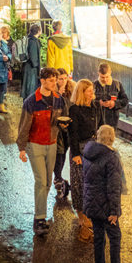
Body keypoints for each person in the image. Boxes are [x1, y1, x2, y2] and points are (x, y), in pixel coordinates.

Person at [17, 67, 67, 236]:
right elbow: (24, 126)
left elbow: (64, 120)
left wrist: (64, 125)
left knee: (46, 181)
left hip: (51, 144)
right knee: (41, 180)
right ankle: (40, 219)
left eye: (56, 80)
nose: (55, 83)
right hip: (35, 144)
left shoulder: (59, 100)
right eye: (52, 80)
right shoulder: (31, 102)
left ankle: (40, 212)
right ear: (43, 81)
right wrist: (22, 148)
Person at [81, 124, 131, 263]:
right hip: (106, 206)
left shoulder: (88, 153)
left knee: (99, 238)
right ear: (112, 138)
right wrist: (115, 211)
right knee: (115, 237)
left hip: (92, 204)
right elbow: (114, 187)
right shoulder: (112, 157)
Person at [68, 78, 99, 243]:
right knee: (79, 183)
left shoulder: (95, 107)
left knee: (92, 183)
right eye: (89, 91)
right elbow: (72, 134)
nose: (92, 93)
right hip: (80, 151)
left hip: (93, 149)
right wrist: (75, 154)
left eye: (92, 90)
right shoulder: (74, 110)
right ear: (82, 92)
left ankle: (89, 215)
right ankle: (82, 217)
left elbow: (100, 127)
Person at [52, 68, 76, 199]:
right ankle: (58, 179)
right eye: (60, 79)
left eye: (65, 78)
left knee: (66, 152)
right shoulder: (52, 92)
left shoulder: (72, 89)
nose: (63, 81)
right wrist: (57, 95)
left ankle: (59, 179)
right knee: (59, 154)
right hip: (58, 129)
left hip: (69, 127)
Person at [93, 63, 128, 129]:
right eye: (102, 77)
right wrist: (98, 103)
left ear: (110, 73)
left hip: (112, 123)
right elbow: (87, 102)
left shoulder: (117, 85)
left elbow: (125, 100)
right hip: (97, 123)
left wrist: (114, 103)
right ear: (98, 73)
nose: (105, 80)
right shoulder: (93, 85)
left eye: (107, 77)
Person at [21, 23, 42, 99]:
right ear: (39, 31)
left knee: (27, 88)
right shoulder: (33, 41)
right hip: (31, 69)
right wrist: (37, 66)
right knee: (30, 89)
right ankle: (28, 107)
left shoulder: (28, 39)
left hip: (27, 67)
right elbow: (33, 57)